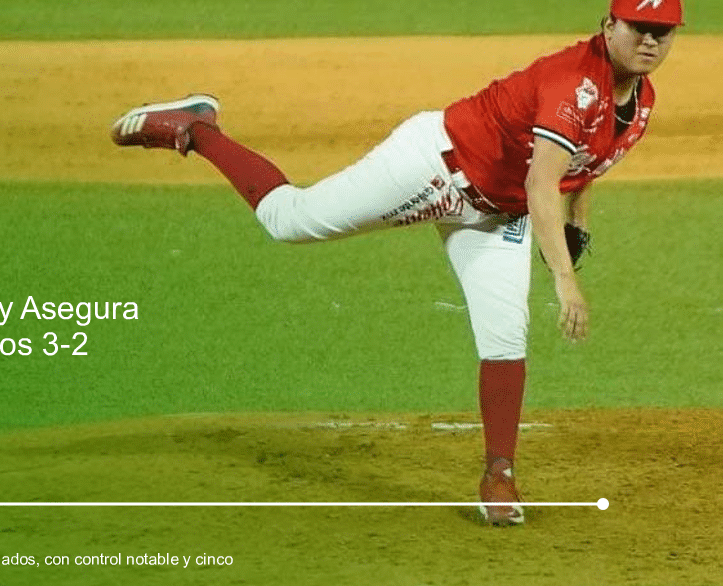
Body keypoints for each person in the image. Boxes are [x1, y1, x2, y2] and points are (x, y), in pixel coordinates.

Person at [110, 0, 681, 525]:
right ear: (609, 26)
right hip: (434, 167)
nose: (651, 42)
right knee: (289, 220)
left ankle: (499, 477)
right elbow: (541, 181)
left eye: (663, 32)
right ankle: (197, 129)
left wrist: (578, 222)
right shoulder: (572, 82)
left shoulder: (641, 98)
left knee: (506, 336)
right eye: (639, 28)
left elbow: (587, 162)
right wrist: (564, 280)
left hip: (494, 211)